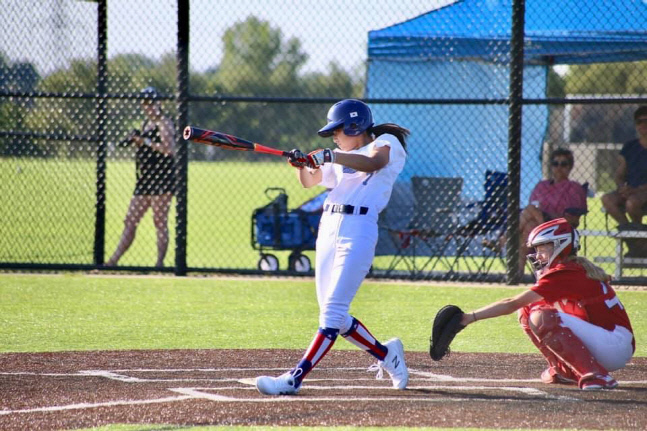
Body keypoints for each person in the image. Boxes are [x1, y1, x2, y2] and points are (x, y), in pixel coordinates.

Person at [255, 99, 410, 395]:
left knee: (332, 314)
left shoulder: (385, 143)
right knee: (333, 316)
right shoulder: (338, 156)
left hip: (359, 230)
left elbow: (375, 163)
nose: (335, 137)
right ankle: (386, 355)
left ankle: (293, 379)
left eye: (337, 131)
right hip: (328, 229)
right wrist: (301, 165)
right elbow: (308, 182)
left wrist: (331, 155)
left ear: (355, 126)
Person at [458, 218, 634, 390]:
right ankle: (565, 370)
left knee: (541, 317)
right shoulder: (569, 270)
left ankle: (597, 375)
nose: (538, 254)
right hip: (608, 341)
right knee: (527, 310)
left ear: (561, 245)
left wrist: (469, 318)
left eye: (543, 248)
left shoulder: (568, 272)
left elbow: (511, 303)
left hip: (614, 345)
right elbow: (520, 305)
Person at [485, 148, 587, 276]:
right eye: (555, 164)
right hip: (538, 223)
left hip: (558, 225)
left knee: (530, 211)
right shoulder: (542, 185)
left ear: (570, 167)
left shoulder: (574, 187)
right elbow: (533, 203)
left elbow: (574, 219)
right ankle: (520, 273)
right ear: (551, 166)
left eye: (564, 164)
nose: (559, 167)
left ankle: (504, 242)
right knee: (528, 226)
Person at [105, 87, 176, 268]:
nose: (148, 107)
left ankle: (159, 264)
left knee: (159, 221)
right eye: (145, 104)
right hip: (145, 179)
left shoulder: (164, 123)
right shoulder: (146, 124)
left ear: (158, 103)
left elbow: (168, 149)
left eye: (151, 103)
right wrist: (136, 141)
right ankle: (113, 261)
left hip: (162, 179)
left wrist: (145, 141)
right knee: (130, 220)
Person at [601, 106, 647, 227]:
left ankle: (638, 230)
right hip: (631, 190)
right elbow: (619, 175)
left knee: (632, 203)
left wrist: (637, 190)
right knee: (607, 199)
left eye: (646, 121)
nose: (643, 124)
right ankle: (628, 230)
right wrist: (622, 188)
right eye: (639, 122)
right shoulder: (629, 147)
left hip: (643, 191)